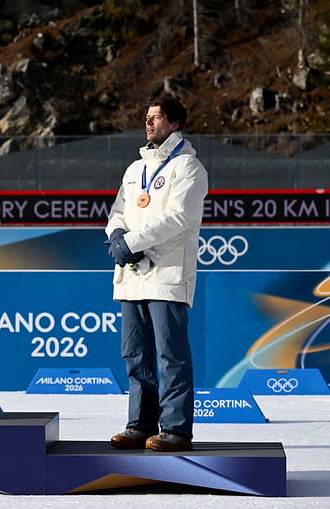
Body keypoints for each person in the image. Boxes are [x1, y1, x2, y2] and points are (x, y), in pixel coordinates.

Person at [105, 96, 208, 451]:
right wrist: (116, 234)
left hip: (166, 273)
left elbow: (178, 218)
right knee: (135, 352)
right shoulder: (135, 170)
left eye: (157, 118)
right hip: (133, 274)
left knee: (170, 354)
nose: (149, 123)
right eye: (147, 117)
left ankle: (176, 428)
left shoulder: (189, 168)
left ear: (175, 124)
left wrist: (132, 241)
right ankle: (140, 423)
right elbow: (117, 210)